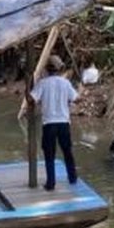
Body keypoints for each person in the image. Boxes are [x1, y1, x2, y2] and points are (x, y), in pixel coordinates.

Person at [30, 55, 79, 190]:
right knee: (67, 151)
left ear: (47, 70)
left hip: (49, 124)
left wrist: (29, 86)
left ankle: (51, 183)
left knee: (49, 154)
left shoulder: (43, 83)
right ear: (59, 69)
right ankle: (73, 178)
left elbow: (32, 99)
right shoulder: (65, 83)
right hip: (63, 122)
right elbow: (75, 98)